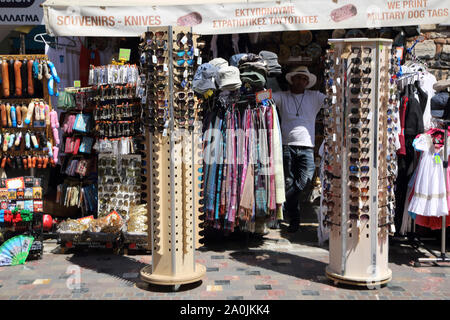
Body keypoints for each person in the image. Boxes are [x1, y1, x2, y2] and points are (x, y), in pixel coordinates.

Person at [272, 66, 326, 233]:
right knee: (289, 181)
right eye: (298, 78)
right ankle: (294, 221)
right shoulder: (283, 96)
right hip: (287, 146)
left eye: (304, 79)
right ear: (292, 80)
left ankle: (280, 202)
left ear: (307, 82)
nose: (301, 81)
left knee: (305, 181)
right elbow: (265, 98)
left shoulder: (315, 97)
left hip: (307, 146)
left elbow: (335, 99)